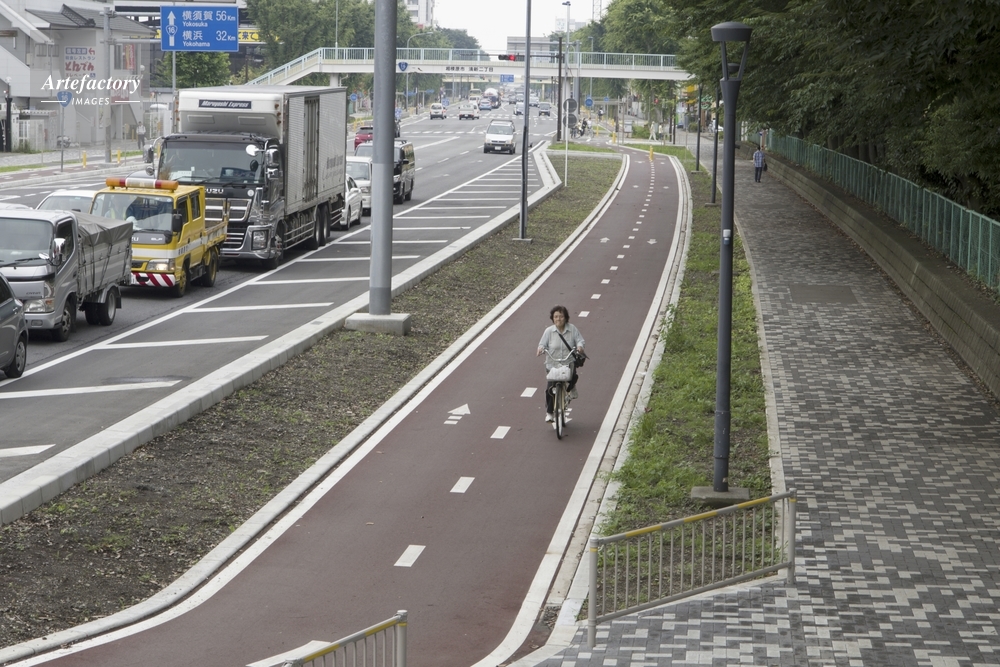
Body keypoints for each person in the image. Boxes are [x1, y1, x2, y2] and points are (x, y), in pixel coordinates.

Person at [536, 305, 585, 422]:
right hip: (552, 363)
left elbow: (580, 340)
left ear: (566, 318)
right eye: (556, 317)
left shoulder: (572, 329)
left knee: (572, 376)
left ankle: (571, 389)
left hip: (568, 361)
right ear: (552, 318)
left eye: (561, 316)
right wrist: (541, 348)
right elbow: (542, 344)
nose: (558, 319)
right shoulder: (548, 331)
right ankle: (549, 413)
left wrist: (579, 347)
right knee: (550, 388)